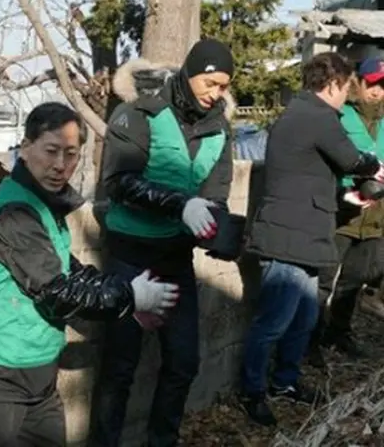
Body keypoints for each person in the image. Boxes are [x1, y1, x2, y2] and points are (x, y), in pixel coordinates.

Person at [0, 101, 179, 447]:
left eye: (71, 154)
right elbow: (58, 290)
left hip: (38, 376)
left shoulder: (43, 206)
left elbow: (72, 271)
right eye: (51, 151)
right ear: (25, 149)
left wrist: (126, 296)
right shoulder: (15, 212)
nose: (60, 165)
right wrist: (131, 296)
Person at [88, 38, 237, 447]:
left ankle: (162, 440)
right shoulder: (139, 113)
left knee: (183, 361)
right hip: (130, 255)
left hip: (174, 257)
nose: (216, 94)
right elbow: (118, 183)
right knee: (120, 366)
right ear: (191, 74)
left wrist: (215, 228)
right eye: (211, 83)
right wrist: (179, 205)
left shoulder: (219, 130)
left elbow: (216, 193)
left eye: (224, 86)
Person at [240, 52, 384, 427]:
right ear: (333, 83)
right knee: (273, 321)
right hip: (288, 236)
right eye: (347, 86)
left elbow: (306, 175)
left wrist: (344, 198)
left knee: (303, 318)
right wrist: (376, 170)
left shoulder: (300, 115)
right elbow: (353, 160)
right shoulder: (317, 116)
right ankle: (250, 390)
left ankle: (285, 382)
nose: (347, 94)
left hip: (303, 232)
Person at [309, 56, 384, 365]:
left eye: (383, 86)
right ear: (360, 84)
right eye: (373, 84)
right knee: (323, 277)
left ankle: (339, 331)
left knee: (355, 279)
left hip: (376, 215)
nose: (378, 92)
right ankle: (309, 337)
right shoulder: (341, 116)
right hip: (343, 211)